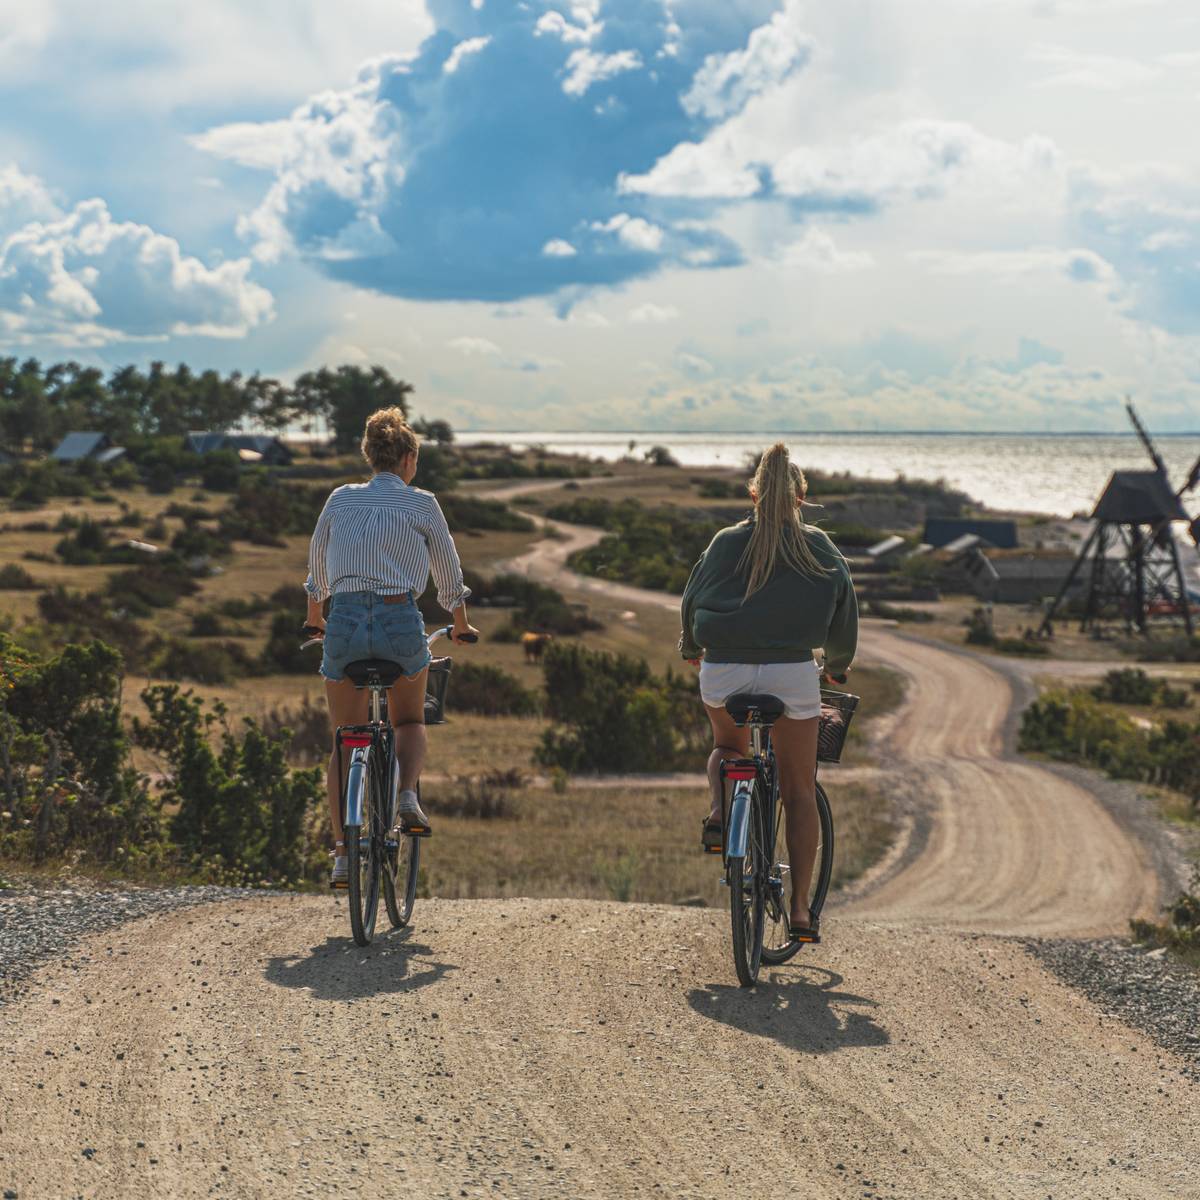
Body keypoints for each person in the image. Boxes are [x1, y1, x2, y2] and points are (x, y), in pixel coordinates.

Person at [679, 442, 857, 942]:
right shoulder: (819, 546)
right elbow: (845, 609)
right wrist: (837, 666)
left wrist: (691, 647)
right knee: (798, 791)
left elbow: (691, 599)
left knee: (726, 747)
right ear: (800, 498)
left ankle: (721, 811)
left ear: (754, 494)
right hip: (791, 676)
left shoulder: (724, 542)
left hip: (724, 672)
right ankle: (799, 911)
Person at [304, 407, 479, 886]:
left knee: (344, 738)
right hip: (399, 620)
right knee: (410, 720)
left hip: (343, 623)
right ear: (407, 459)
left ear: (370, 456)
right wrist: (460, 623)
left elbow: (317, 565)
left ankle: (343, 854)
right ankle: (405, 796)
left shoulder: (340, 498)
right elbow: (448, 572)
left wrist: (315, 618)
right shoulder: (422, 504)